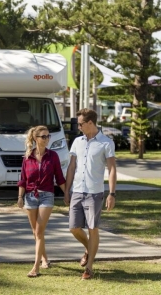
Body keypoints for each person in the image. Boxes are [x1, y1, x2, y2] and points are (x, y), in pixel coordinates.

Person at [64, 108, 116, 280]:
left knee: (93, 229)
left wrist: (112, 193)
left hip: (95, 193)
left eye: (80, 124)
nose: (78, 127)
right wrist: (66, 190)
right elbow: (71, 167)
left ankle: (89, 267)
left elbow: (112, 169)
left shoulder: (106, 143)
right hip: (77, 191)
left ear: (90, 123)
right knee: (74, 227)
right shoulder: (77, 142)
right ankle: (89, 248)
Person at [17, 125, 66, 278]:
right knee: (36, 232)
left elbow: (59, 177)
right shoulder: (27, 156)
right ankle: (44, 259)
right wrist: (20, 197)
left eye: (48, 136)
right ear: (35, 138)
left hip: (47, 196)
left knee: (39, 231)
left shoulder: (53, 156)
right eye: (43, 136)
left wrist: (67, 194)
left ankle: (35, 267)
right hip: (30, 196)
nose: (46, 139)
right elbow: (23, 179)